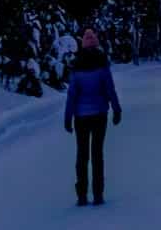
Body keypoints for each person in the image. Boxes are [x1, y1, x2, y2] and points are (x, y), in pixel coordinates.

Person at [63, 25, 122, 205]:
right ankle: (98, 194)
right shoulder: (102, 64)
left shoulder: (77, 66)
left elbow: (72, 95)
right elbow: (110, 89)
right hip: (99, 114)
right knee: (97, 154)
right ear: (96, 44)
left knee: (82, 154)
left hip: (81, 116)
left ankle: (81, 195)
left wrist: (68, 117)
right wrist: (116, 109)